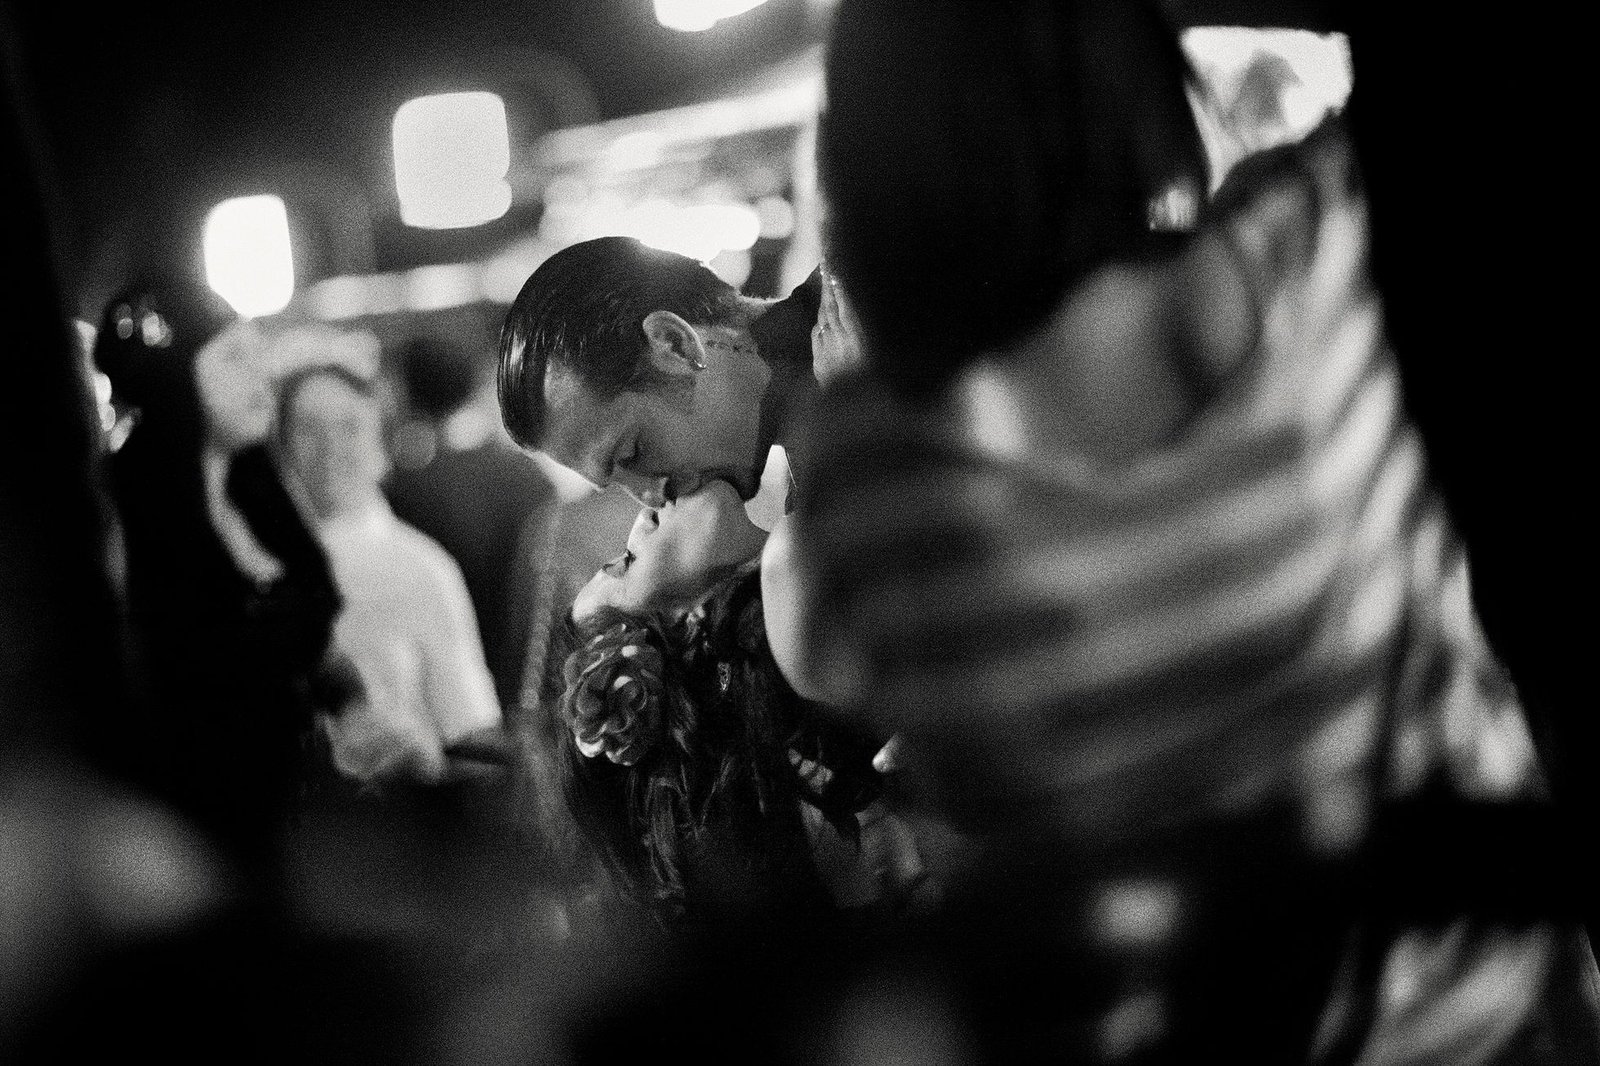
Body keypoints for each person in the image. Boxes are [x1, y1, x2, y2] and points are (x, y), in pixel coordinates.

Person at [768, 1, 1599, 1062]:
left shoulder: (866, 465)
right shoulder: (1308, 252)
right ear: (1129, 93)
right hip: (1484, 1017)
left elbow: (936, 764)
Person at [92, 287, 344, 890]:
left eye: (260, 352)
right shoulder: (119, 513)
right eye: (233, 356)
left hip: (300, 824)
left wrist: (360, 708)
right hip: (191, 850)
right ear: (173, 378)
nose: (262, 374)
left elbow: (314, 649)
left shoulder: (255, 495)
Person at [275, 360, 505, 789]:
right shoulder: (259, 560)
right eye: (308, 428)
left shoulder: (418, 566)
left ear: (380, 443)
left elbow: (473, 734)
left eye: (349, 427)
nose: (329, 447)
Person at [497, 235, 837, 508]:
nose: (653, 500)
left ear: (675, 344)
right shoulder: (828, 466)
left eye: (633, 452)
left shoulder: (871, 280)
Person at [386, 334, 558, 715]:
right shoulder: (530, 477)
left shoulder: (405, 491)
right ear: (481, 382)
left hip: (449, 708)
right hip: (532, 694)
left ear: (409, 395)